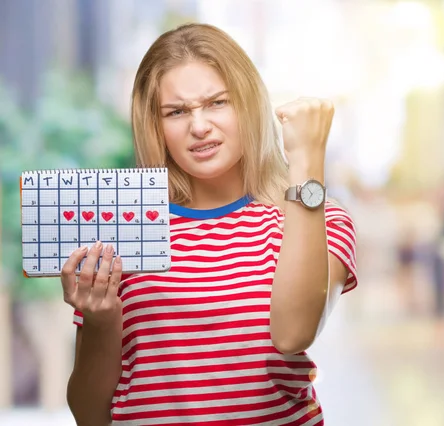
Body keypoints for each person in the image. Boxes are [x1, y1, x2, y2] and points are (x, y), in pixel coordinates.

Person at [60, 23, 358, 425]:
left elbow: (293, 334)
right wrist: (100, 320)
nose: (198, 126)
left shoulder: (316, 218)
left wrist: (306, 161)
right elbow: (89, 415)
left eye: (217, 102)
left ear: (249, 104)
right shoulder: (125, 227)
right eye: (177, 111)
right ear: (157, 125)